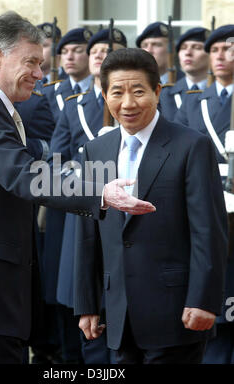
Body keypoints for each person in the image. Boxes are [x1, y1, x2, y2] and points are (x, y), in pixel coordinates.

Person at [0, 12, 154, 365]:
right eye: (31, 62)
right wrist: (100, 193)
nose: (40, 73)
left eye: (41, 64)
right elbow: (25, 175)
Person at [74, 47, 228, 364]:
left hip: (176, 313)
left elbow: (208, 230)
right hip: (117, 315)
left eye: (139, 91)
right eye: (117, 92)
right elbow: (88, 233)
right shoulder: (96, 150)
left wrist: (203, 300)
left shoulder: (191, 145)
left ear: (158, 91)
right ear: (104, 94)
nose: (128, 103)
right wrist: (87, 303)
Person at [45, 27, 127, 364]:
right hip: (85, 206)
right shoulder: (73, 105)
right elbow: (55, 162)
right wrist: (87, 180)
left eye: (108, 49)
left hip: (124, 205)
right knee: (80, 296)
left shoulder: (129, 101)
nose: (97, 53)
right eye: (93, 49)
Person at [175, 24, 234, 364]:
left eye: (228, 49)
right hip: (210, 207)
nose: (221, 56)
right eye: (214, 51)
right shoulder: (194, 103)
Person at [43, 27, 93, 122]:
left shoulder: (101, 90)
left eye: (77, 51)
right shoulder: (49, 93)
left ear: (91, 54)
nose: (69, 57)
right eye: (64, 52)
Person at [160, 27, 210, 121]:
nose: (188, 52)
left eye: (197, 47)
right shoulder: (165, 94)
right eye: (183, 48)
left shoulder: (222, 93)